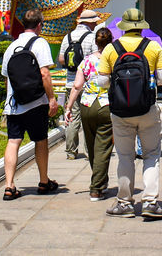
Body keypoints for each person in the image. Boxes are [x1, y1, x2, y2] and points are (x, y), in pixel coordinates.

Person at [96, 8, 162, 220]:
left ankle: (125, 203)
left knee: (125, 156)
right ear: (141, 26)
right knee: (151, 155)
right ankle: (149, 202)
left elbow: (102, 82)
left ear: (124, 27)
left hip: (120, 111)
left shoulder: (111, 48)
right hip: (147, 109)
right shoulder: (153, 46)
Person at [0, 8, 59, 200]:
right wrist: (51, 99)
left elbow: (7, 79)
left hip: (14, 104)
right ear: (40, 25)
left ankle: (9, 185)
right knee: (40, 140)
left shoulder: (12, 46)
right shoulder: (40, 43)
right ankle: (43, 181)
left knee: (13, 141)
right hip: (35, 103)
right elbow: (44, 74)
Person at [65, 26, 114, 200]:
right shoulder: (113, 60)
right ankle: (96, 187)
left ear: (96, 42)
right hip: (105, 105)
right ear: (111, 42)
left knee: (92, 145)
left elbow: (77, 85)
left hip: (86, 105)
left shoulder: (87, 61)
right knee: (104, 146)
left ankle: (101, 180)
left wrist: (69, 107)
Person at [60, 8, 103, 159]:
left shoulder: (68, 37)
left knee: (71, 116)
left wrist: (72, 64)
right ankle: (88, 150)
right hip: (87, 86)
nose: (95, 25)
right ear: (90, 23)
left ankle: (71, 151)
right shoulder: (92, 38)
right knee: (88, 118)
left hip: (70, 83)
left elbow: (60, 59)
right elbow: (95, 58)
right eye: (94, 22)